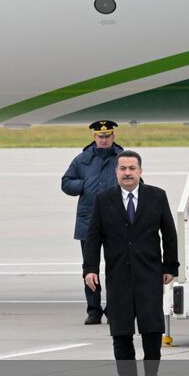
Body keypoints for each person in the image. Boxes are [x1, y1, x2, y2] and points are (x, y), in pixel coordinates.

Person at [83, 151, 177, 376]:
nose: (127, 173)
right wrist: (90, 269)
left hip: (150, 274)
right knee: (121, 331)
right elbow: (93, 237)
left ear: (140, 171)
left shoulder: (157, 196)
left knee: (152, 329)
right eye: (122, 168)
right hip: (118, 276)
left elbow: (169, 233)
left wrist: (170, 267)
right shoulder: (104, 200)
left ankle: (152, 374)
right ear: (116, 172)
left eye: (132, 168)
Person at [62, 120, 126, 324]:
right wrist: (84, 185)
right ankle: (93, 309)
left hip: (116, 221)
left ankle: (113, 307)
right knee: (90, 267)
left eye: (108, 136)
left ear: (113, 137)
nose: (104, 139)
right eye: (101, 136)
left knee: (117, 267)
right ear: (94, 137)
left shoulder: (122, 158)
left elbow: (136, 182)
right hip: (89, 222)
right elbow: (66, 183)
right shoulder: (82, 160)